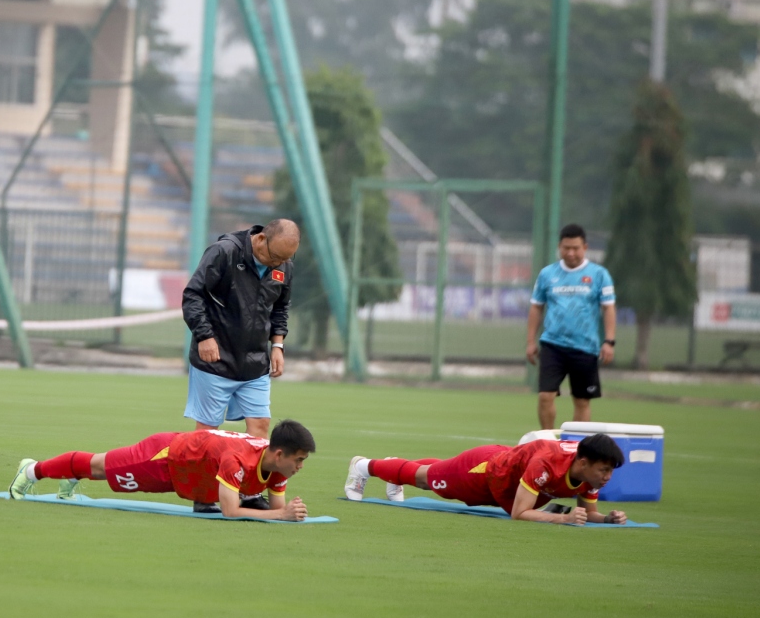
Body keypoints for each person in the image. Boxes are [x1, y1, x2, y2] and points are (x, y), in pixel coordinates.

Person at [181, 219, 298, 511]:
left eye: (285, 259)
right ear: (260, 239)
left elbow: (281, 307)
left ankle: (250, 493)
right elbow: (193, 295)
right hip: (215, 359)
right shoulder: (224, 252)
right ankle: (204, 494)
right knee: (207, 431)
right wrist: (204, 336)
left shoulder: (283, 266)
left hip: (255, 363)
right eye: (275, 257)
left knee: (260, 425)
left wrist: (278, 346)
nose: (279, 264)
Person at [7, 420, 315, 521]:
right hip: (165, 457)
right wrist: (281, 515)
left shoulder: (277, 467)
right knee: (98, 467)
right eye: (299, 460)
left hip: (186, 470)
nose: (300, 467)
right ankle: (32, 470)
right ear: (279, 454)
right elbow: (230, 511)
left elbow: (277, 508)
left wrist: (286, 511)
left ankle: (70, 478)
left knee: (98, 468)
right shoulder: (238, 460)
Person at [342, 434, 629, 526]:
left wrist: (607, 518)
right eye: (604, 470)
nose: (607, 477)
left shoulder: (588, 472)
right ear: (583, 463)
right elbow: (519, 513)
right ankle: (363, 466)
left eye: (610, 471)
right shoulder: (546, 465)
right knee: (427, 480)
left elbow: (588, 512)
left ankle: (394, 469)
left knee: (437, 472)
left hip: (506, 474)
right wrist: (562, 519)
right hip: (486, 472)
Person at [526, 224, 617, 430]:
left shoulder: (599, 274)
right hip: (552, 345)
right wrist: (530, 341)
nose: (570, 253)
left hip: (585, 347)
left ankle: (575, 444)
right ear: (559, 247)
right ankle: (548, 440)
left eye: (575, 248)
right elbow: (536, 307)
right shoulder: (547, 274)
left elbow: (608, 308)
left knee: (582, 401)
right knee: (545, 396)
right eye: (566, 248)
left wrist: (609, 341)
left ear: (585, 247)